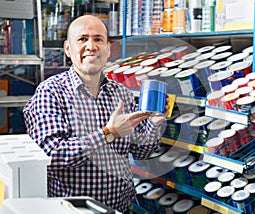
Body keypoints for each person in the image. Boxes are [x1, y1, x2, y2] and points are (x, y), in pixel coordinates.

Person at [23, 15, 169, 213]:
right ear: (68, 49)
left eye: (98, 39)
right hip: (71, 211)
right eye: (82, 39)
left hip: (120, 208)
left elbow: (141, 151)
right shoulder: (50, 92)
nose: (91, 46)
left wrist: (154, 124)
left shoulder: (122, 94)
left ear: (108, 49)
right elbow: (52, 156)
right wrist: (108, 133)